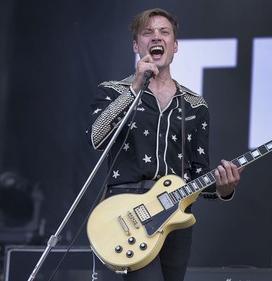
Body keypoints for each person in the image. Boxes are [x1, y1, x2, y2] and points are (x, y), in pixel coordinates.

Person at [87, 8, 242, 281]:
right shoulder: (112, 90)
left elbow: (197, 172)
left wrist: (222, 189)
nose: (156, 37)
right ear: (137, 46)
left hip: (176, 214)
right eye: (147, 32)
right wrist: (134, 89)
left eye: (164, 32)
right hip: (128, 211)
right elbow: (97, 137)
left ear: (175, 45)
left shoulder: (195, 105)